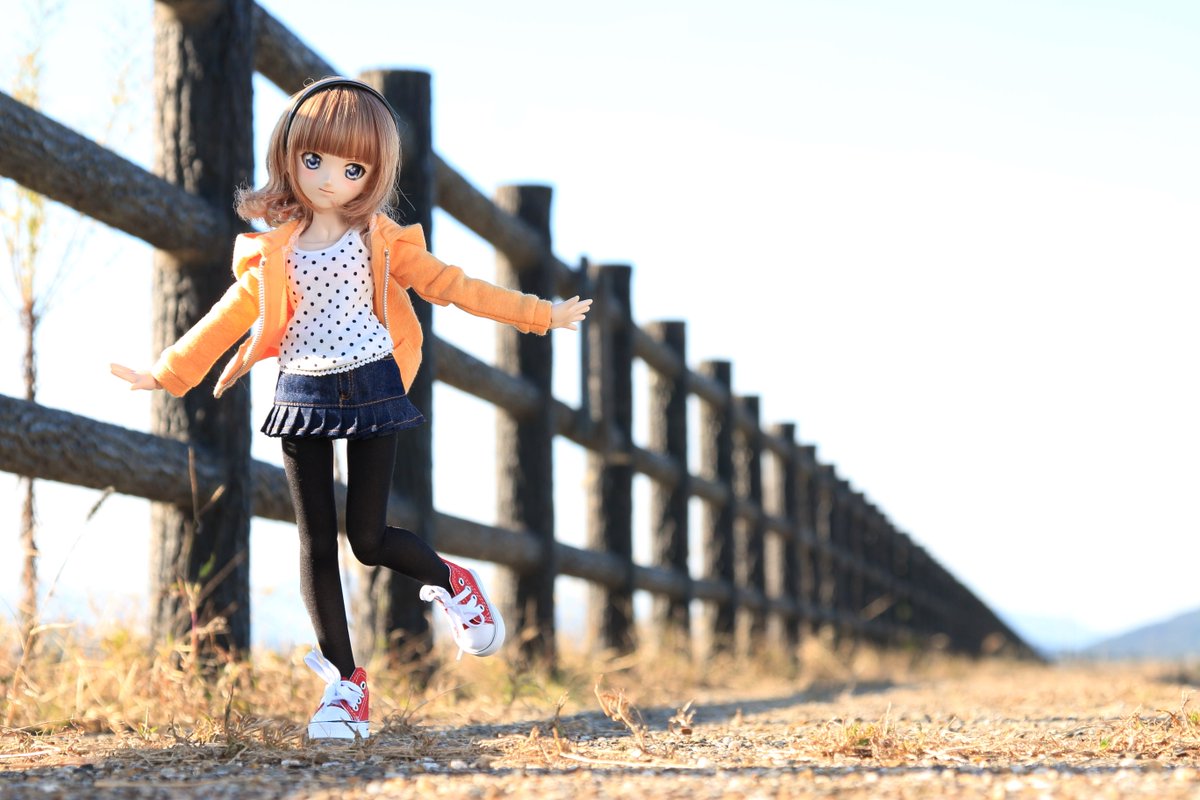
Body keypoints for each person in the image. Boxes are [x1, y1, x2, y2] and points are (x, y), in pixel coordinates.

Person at [110, 76, 591, 741]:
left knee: (366, 539)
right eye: (313, 161)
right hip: (302, 391)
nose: (329, 178)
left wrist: (539, 314)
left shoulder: (385, 240)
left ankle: (451, 581)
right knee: (313, 542)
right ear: (289, 156)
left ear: (373, 172)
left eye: (351, 166)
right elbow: (227, 319)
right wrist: (165, 373)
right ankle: (345, 685)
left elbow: (455, 287)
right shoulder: (273, 249)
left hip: (372, 384)